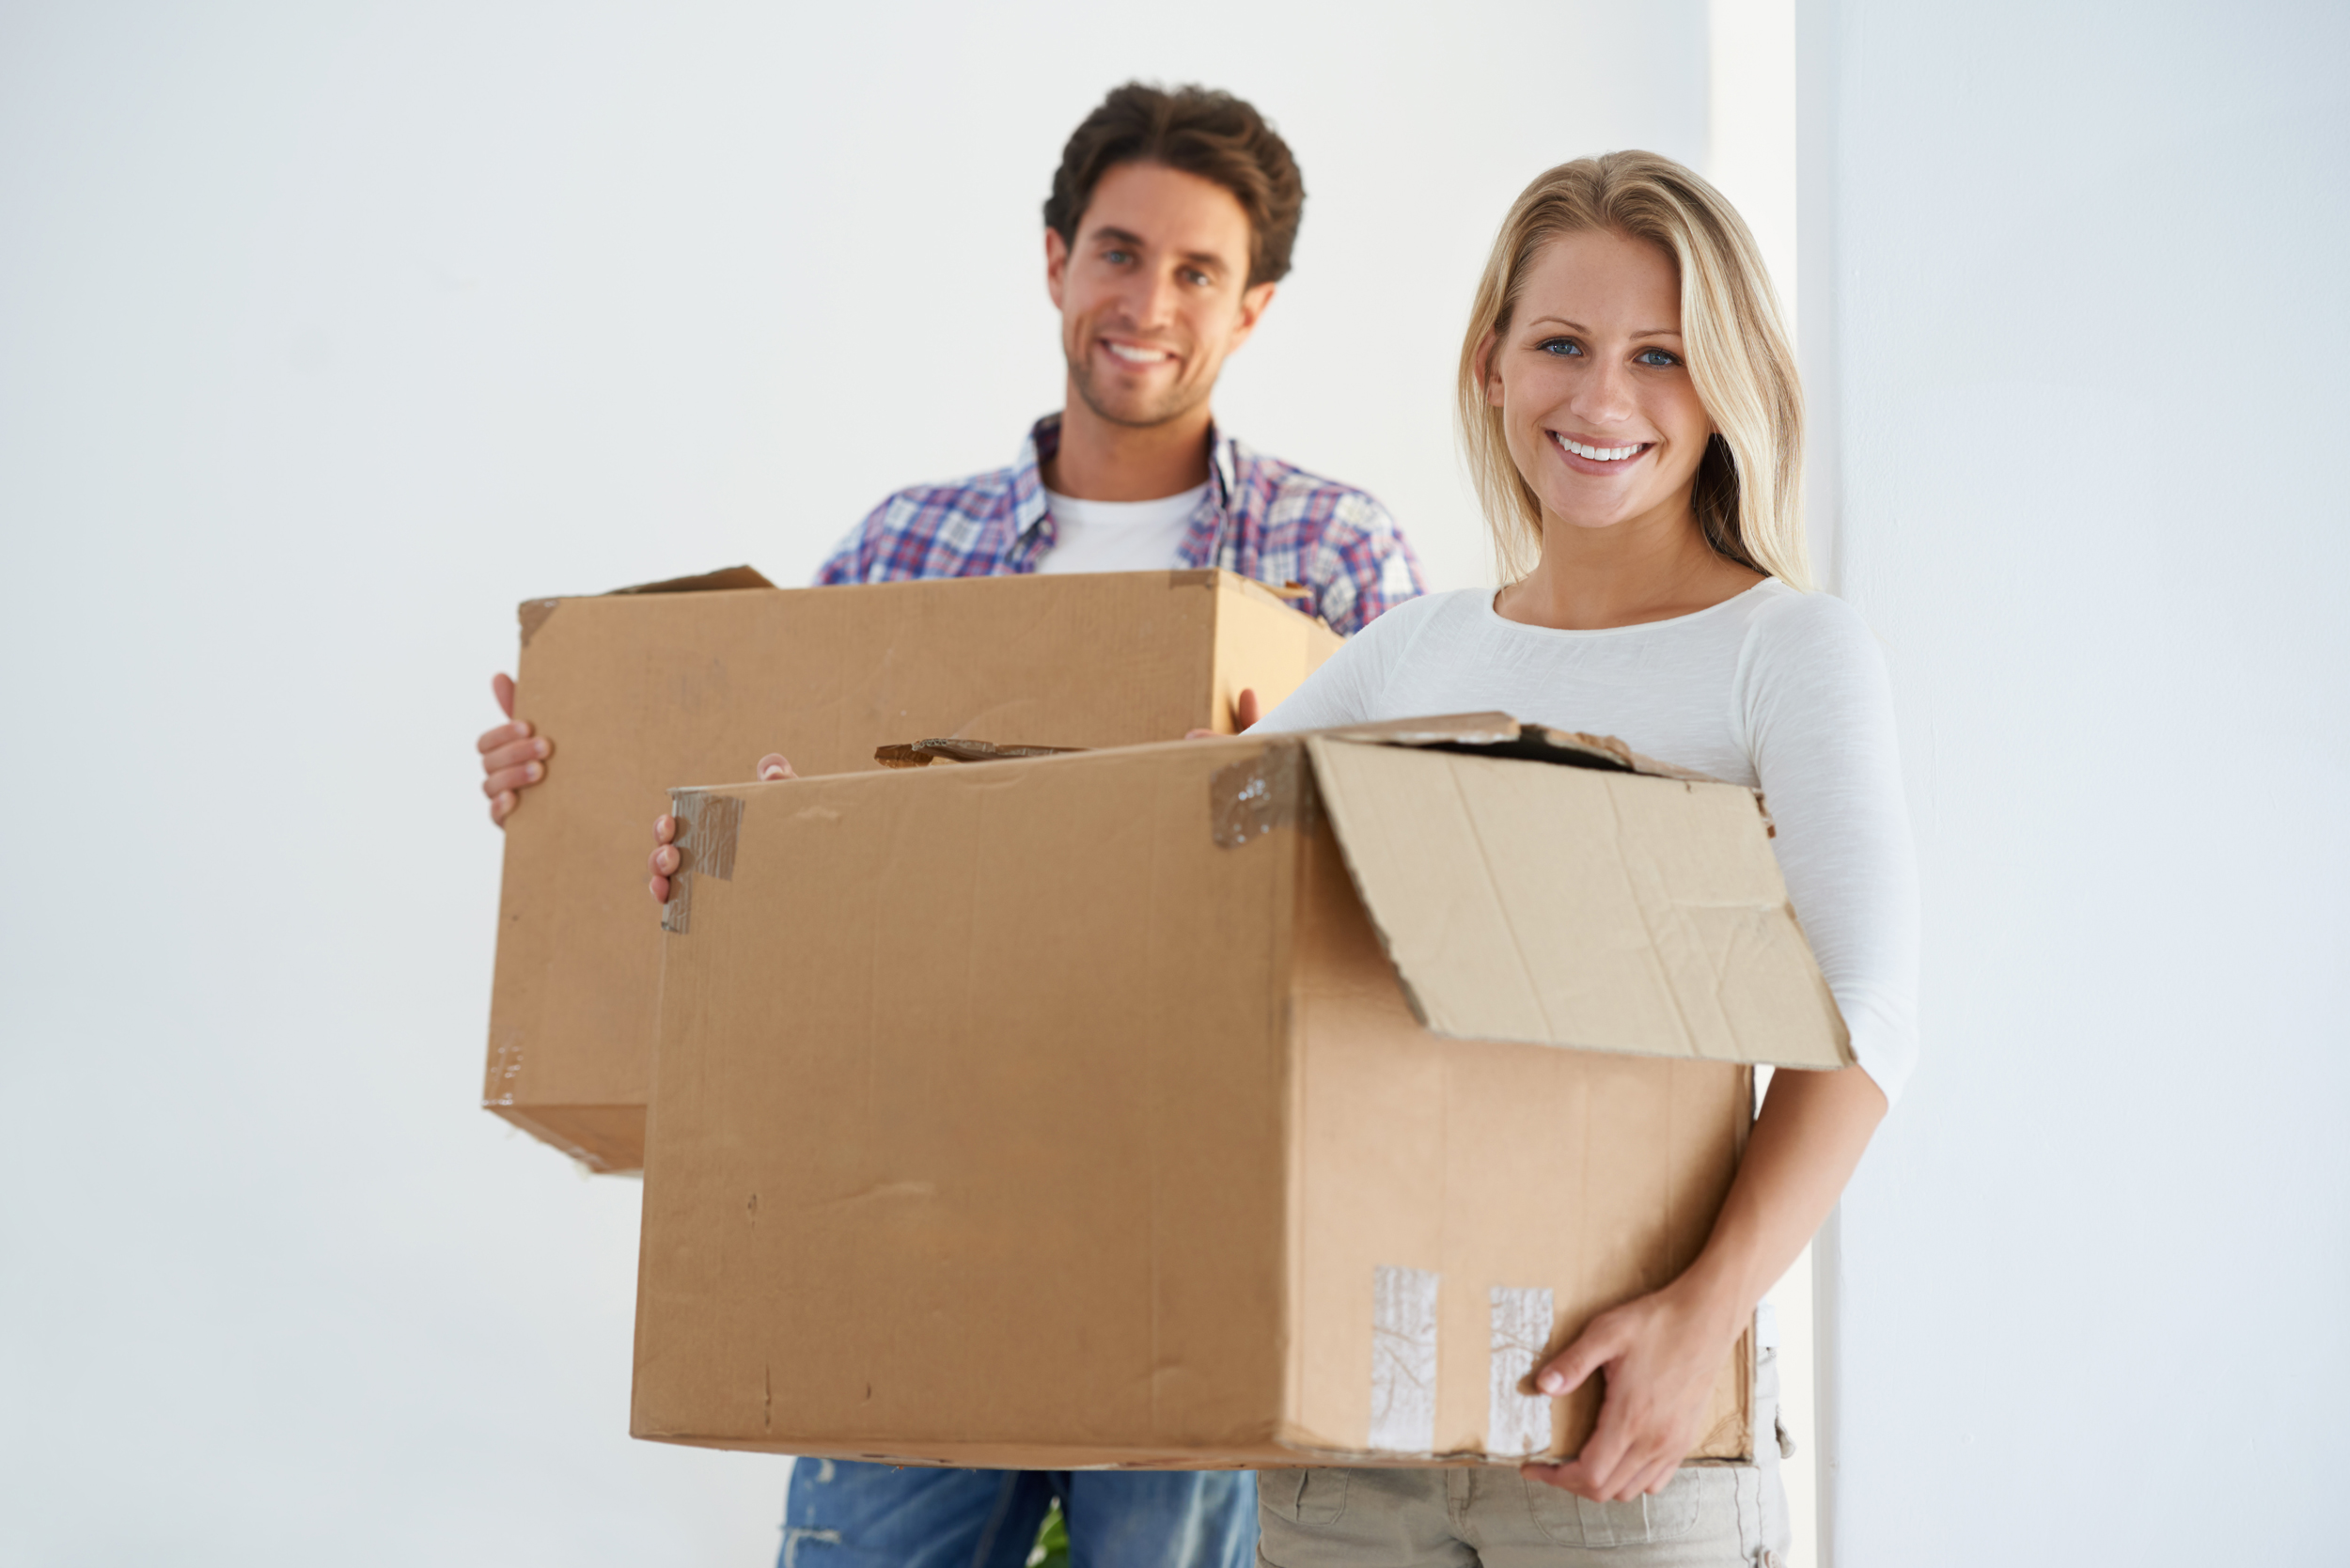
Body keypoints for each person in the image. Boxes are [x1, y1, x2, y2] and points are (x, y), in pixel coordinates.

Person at [482, 83, 1427, 1568]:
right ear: (1054, 260)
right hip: (900, 1183)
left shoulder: (1333, 555)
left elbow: (1415, 868)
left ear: (1253, 311)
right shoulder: (904, 547)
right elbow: (744, 848)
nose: (1148, 302)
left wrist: (1273, 806)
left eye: (1197, 272)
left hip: (1192, 1196)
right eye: (1119, 253)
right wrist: (579, 783)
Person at [1242, 151, 1918, 1565]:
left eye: (1660, 356)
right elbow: (1154, 862)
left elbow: (1865, 1021)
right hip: (1353, 1428)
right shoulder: (1408, 656)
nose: (1602, 401)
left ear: (1727, 383)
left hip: (1631, 1424)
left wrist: (1705, 1316)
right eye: (1561, 345)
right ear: (1492, 364)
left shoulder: (1781, 656)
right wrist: (792, 847)